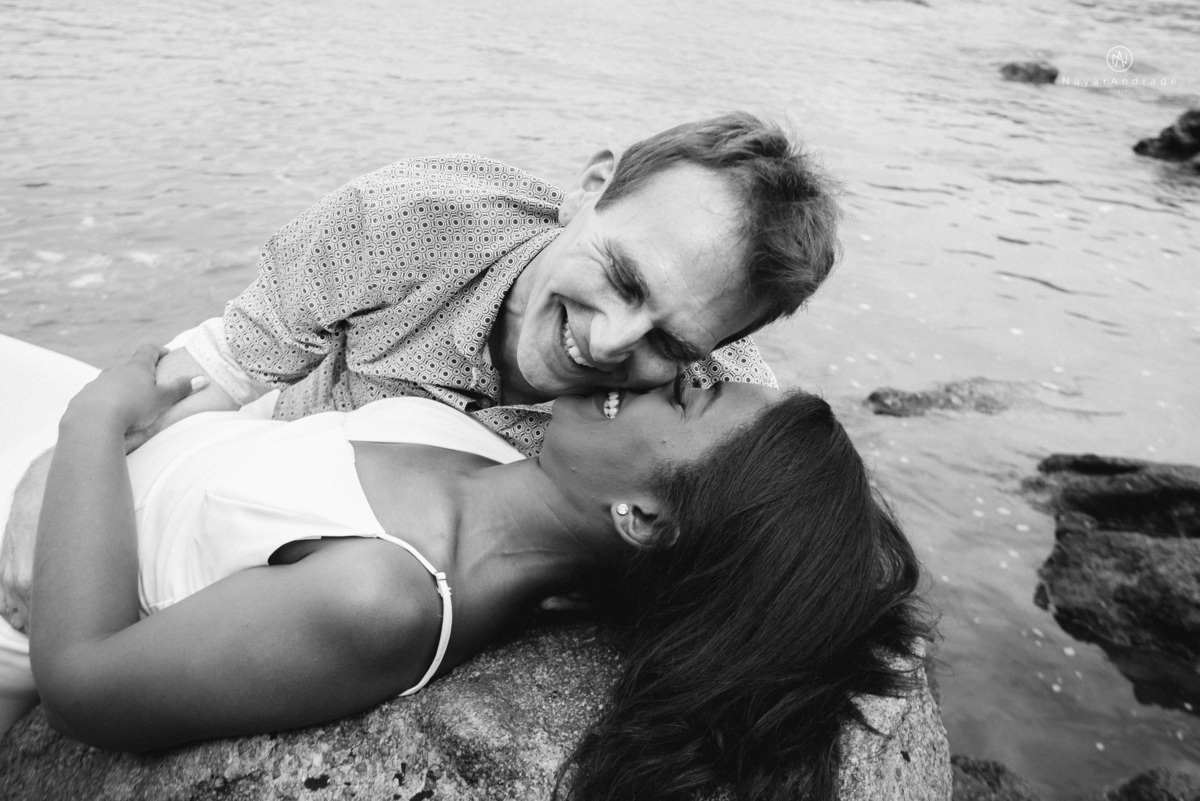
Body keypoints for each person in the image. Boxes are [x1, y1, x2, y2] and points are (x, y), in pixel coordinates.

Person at [0, 337, 928, 801]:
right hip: (73, 456)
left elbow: (82, 681)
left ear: (642, 518)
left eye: (691, 392)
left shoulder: (389, 597)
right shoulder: (488, 449)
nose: (657, 363)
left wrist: (90, 423)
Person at [139, 111, 842, 456]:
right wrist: (74, 472)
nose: (606, 342)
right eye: (623, 278)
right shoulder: (405, 218)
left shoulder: (726, 421)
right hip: (267, 452)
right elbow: (228, 364)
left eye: (668, 338)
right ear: (591, 188)